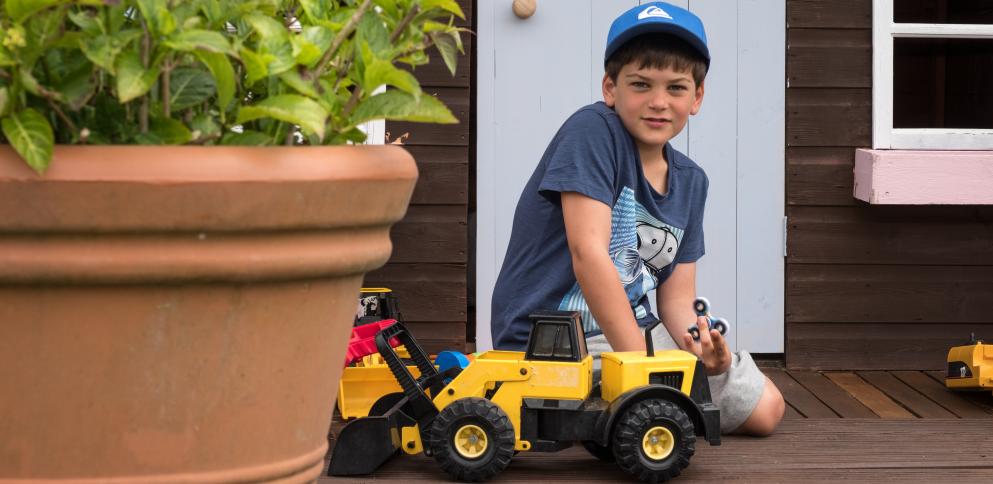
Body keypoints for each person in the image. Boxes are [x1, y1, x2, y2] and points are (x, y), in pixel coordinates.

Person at [490, 2, 784, 435]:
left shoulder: (691, 183)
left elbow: (676, 300)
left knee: (765, 410)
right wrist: (642, 375)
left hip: (633, 332)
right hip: (553, 336)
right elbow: (588, 253)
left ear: (697, 97)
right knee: (639, 419)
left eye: (676, 88)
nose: (659, 102)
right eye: (641, 84)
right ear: (611, 88)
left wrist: (700, 348)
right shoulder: (593, 132)